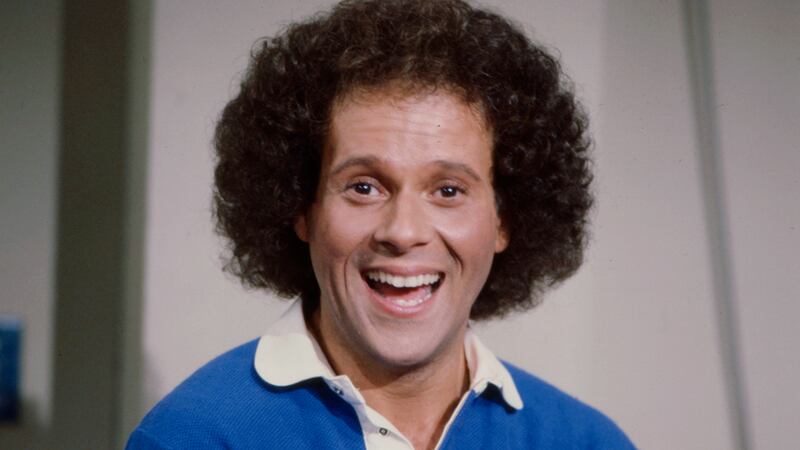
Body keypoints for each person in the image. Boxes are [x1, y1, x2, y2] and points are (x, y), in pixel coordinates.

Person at [127, 0, 635, 448]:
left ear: (505, 220)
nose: (403, 231)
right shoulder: (195, 437)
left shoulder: (585, 442)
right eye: (364, 187)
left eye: (448, 191)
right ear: (302, 208)